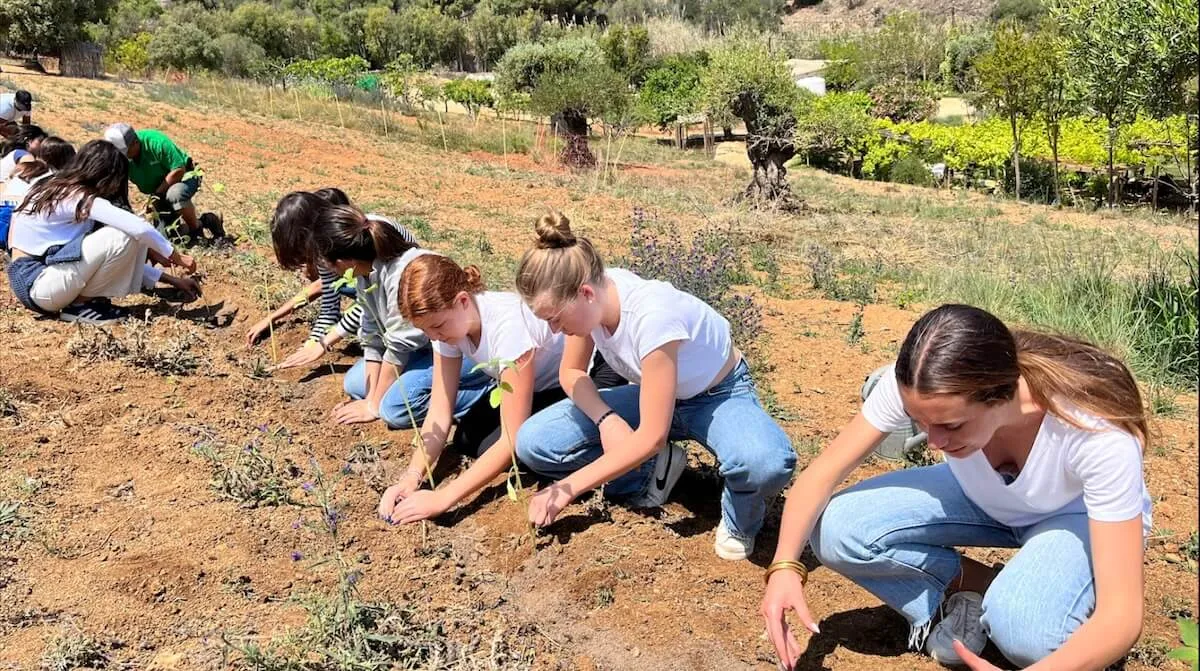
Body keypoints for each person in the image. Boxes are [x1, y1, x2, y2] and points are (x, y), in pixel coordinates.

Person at [761, 304, 1151, 670]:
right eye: (920, 422)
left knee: (1027, 637)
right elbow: (821, 474)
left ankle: (1038, 600)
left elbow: (1123, 616)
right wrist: (784, 568)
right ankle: (990, 591)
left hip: (1074, 518)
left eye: (951, 426)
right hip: (984, 498)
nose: (933, 442)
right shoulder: (924, 388)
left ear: (1002, 392)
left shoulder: (1095, 433)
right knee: (837, 530)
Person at [510, 211, 796, 560]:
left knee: (763, 462)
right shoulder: (593, 299)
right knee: (535, 442)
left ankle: (739, 520)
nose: (554, 330)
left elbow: (652, 434)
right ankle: (651, 473)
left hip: (717, 395)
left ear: (585, 293)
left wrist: (568, 488)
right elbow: (570, 372)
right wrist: (607, 420)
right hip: (656, 394)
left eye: (555, 319)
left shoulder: (651, 316)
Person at [377, 253, 630, 524]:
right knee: (467, 439)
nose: (434, 337)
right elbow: (440, 409)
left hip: (586, 376)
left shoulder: (507, 328)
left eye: (437, 326)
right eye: (426, 331)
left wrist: (443, 498)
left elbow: (511, 438)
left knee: (528, 449)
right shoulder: (447, 329)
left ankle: (631, 458)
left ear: (463, 300)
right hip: (539, 387)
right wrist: (412, 476)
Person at [306, 203, 493, 429]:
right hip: (427, 347)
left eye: (327, 262)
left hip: (462, 347)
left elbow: (400, 345)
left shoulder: (401, 276)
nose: (327, 269)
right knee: (356, 384)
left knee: (394, 410)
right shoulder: (365, 273)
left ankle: (486, 389)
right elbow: (372, 332)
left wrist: (374, 405)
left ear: (346, 260)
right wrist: (370, 397)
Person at [6, 140, 199, 323]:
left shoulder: (59, 188)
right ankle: (80, 306)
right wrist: (176, 256)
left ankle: (83, 302)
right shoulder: (75, 196)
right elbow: (138, 228)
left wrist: (172, 280)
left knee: (126, 235)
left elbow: (105, 261)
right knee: (124, 233)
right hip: (38, 285)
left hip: (43, 286)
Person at [249, 188, 417, 371]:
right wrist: (312, 344)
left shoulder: (364, 237)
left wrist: (325, 342)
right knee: (355, 383)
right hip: (384, 320)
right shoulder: (324, 250)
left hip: (412, 316)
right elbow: (330, 306)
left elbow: (369, 305)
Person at [103, 122, 223, 244]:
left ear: (135, 142)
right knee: (167, 237)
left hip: (184, 177)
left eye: (125, 152)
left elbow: (178, 170)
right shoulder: (120, 157)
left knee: (175, 194)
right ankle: (206, 221)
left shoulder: (156, 142)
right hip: (159, 190)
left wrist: (156, 196)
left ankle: (196, 232)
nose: (122, 156)